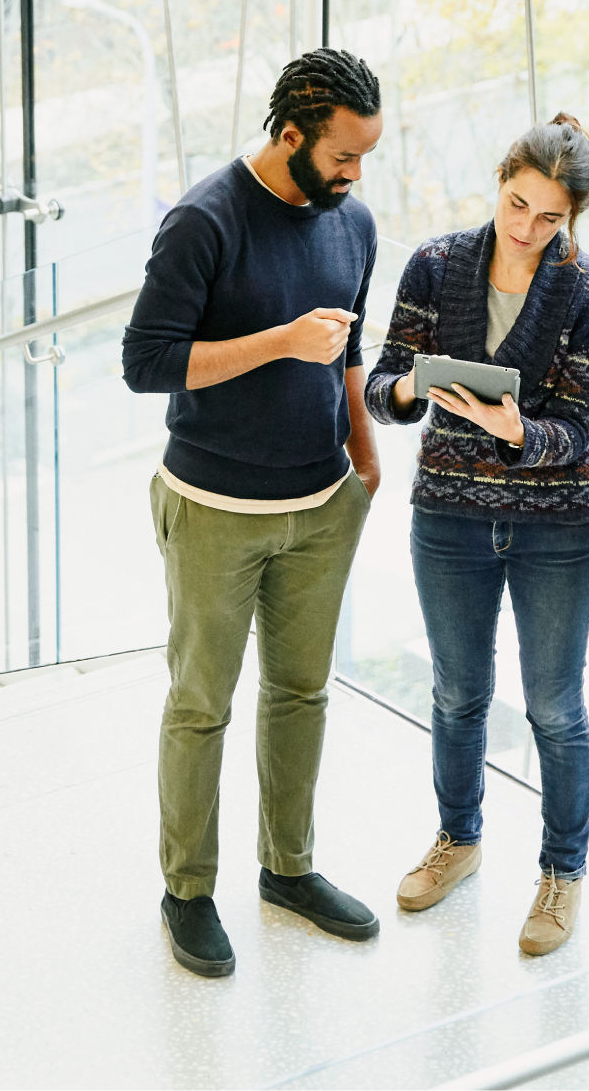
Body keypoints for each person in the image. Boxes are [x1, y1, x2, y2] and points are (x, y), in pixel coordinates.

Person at [122, 49, 384, 978]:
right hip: (213, 508)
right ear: (289, 136)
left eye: (365, 158)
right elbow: (146, 363)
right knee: (201, 704)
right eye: (344, 156)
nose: (356, 175)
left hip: (322, 502)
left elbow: (349, 349)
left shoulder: (352, 222)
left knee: (302, 692)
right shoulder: (203, 220)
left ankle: (290, 868)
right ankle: (186, 890)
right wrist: (280, 341)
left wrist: (363, 445)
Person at [365, 114, 589, 957]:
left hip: (558, 526)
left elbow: (577, 430)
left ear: (570, 218)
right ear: (501, 179)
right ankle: (458, 840)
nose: (526, 227)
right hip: (449, 516)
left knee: (553, 705)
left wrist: (518, 433)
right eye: (517, 204)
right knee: (455, 692)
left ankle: (561, 872)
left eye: (550, 217)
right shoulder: (437, 266)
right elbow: (381, 382)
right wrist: (410, 396)